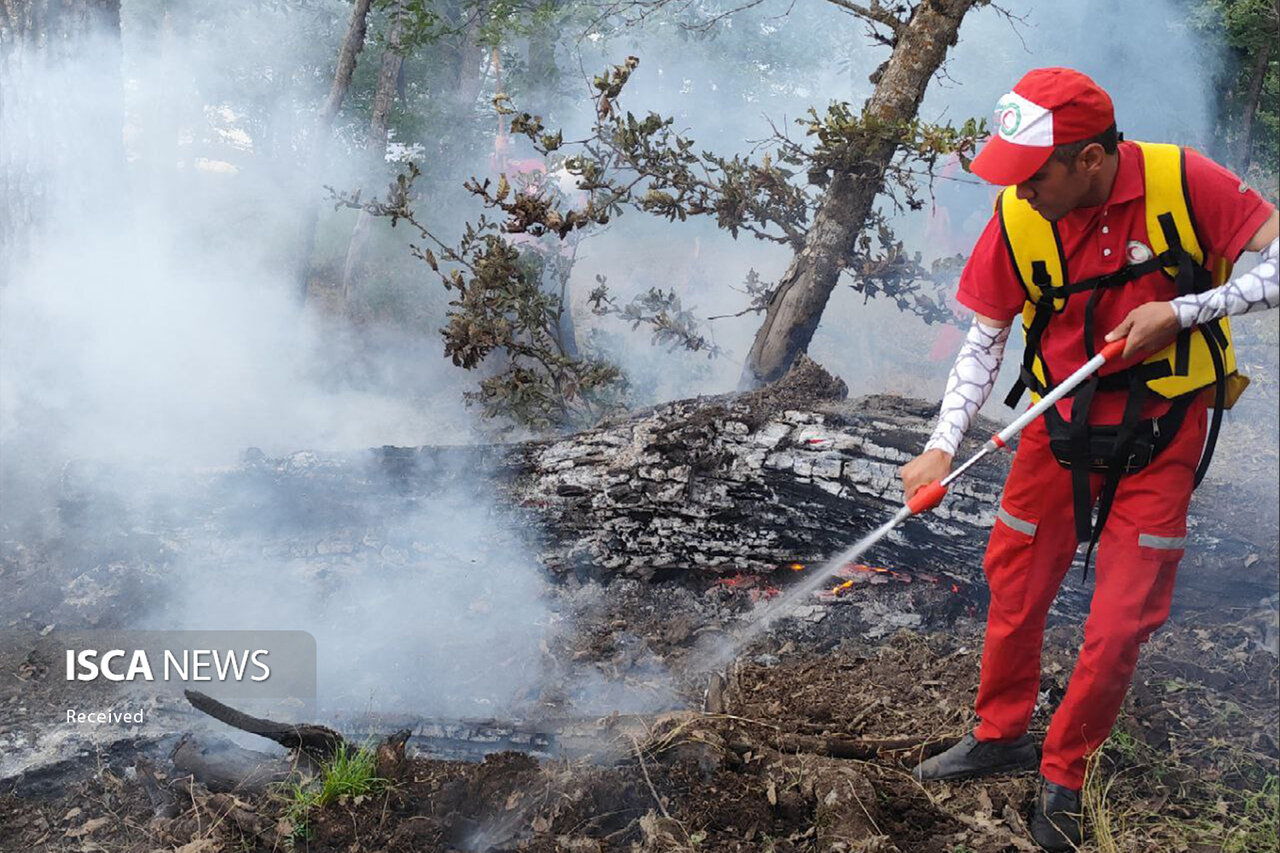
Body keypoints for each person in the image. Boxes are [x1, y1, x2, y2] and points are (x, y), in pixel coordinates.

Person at [898, 67, 1279, 852]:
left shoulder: (1185, 182)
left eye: (1033, 173)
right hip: (1055, 429)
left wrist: (1184, 310)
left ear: (1092, 159)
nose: (1018, 190)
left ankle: (1066, 771)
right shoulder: (1020, 213)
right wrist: (940, 446)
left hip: (1163, 433)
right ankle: (1000, 730)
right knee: (1015, 584)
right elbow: (984, 337)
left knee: (1117, 622)